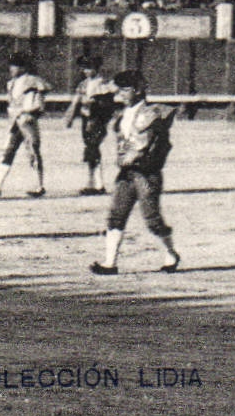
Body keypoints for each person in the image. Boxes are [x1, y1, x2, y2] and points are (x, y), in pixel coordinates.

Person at [89, 69, 181, 274]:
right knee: (116, 216)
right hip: (127, 172)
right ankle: (109, 263)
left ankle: (170, 253)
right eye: (119, 89)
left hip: (146, 173)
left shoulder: (153, 113)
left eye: (124, 89)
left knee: (152, 219)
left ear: (138, 90)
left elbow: (143, 143)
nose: (119, 93)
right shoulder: (122, 113)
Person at [0, 52, 48, 198]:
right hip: (16, 121)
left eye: (16, 66)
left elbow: (38, 104)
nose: (12, 69)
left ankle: (39, 186)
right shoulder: (12, 83)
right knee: (9, 150)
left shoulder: (32, 81)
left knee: (32, 150)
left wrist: (26, 113)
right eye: (12, 66)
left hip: (27, 120)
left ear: (24, 68)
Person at [64, 52, 118, 195]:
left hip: (98, 120)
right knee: (90, 148)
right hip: (86, 118)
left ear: (96, 68)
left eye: (89, 68)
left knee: (93, 148)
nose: (86, 71)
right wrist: (70, 116)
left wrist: (96, 106)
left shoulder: (104, 84)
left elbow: (108, 105)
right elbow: (76, 101)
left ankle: (98, 184)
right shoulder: (84, 84)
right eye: (84, 68)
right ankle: (93, 183)